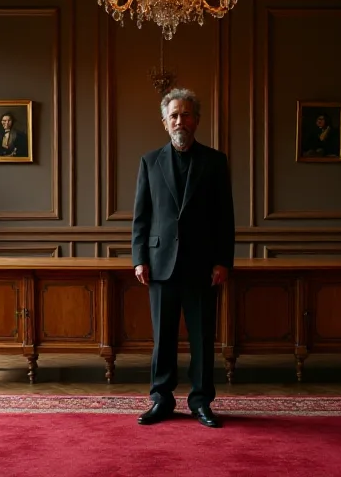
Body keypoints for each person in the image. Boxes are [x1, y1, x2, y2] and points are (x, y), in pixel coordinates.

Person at [131, 87, 235, 428]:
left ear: (197, 120)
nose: (180, 121)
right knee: (163, 339)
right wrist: (139, 259)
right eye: (174, 115)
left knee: (203, 338)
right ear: (165, 122)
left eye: (186, 115)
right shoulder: (149, 161)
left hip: (204, 265)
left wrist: (223, 261)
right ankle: (161, 400)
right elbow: (141, 217)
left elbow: (224, 217)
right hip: (160, 264)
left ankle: (201, 402)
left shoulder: (215, 161)